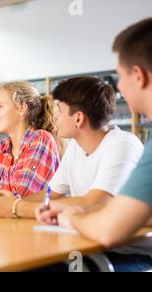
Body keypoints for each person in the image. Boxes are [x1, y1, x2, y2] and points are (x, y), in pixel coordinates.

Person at [37, 18, 152, 272]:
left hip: (128, 256)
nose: (119, 87)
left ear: (138, 76)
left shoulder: (125, 144)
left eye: (120, 77)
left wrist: (73, 215)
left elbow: (108, 228)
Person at [0, 77, 143, 220]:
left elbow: (94, 203)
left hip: (126, 250)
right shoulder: (76, 146)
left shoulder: (122, 145)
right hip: (90, 242)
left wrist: (16, 207)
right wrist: (8, 202)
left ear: (79, 118)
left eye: (59, 110)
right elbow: (50, 193)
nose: (54, 117)